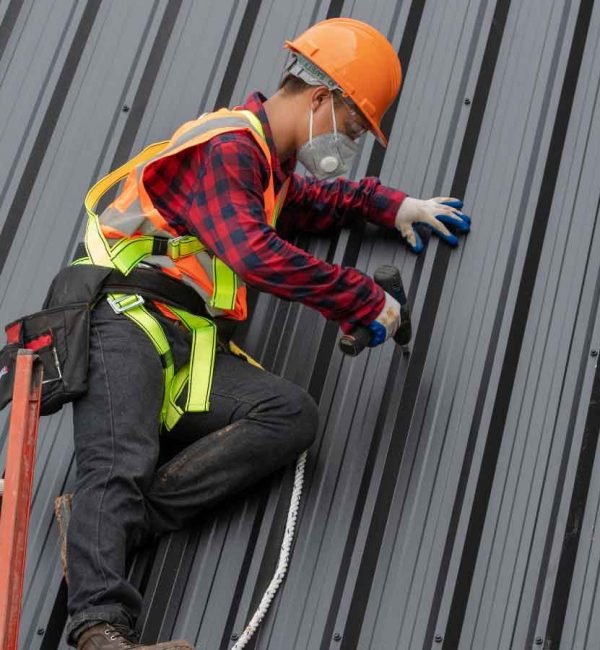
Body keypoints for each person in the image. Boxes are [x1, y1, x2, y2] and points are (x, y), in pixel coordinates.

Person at [63, 17, 471, 650]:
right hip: (123, 318)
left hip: (186, 342)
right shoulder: (228, 147)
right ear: (319, 100)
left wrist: (392, 206)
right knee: (117, 461)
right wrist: (359, 296)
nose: (350, 144)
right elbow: (254, 253)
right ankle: (99, 629)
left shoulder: (266, 171)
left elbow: (313, 204)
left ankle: (104, 531)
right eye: (354, 127)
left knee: (289, 415)